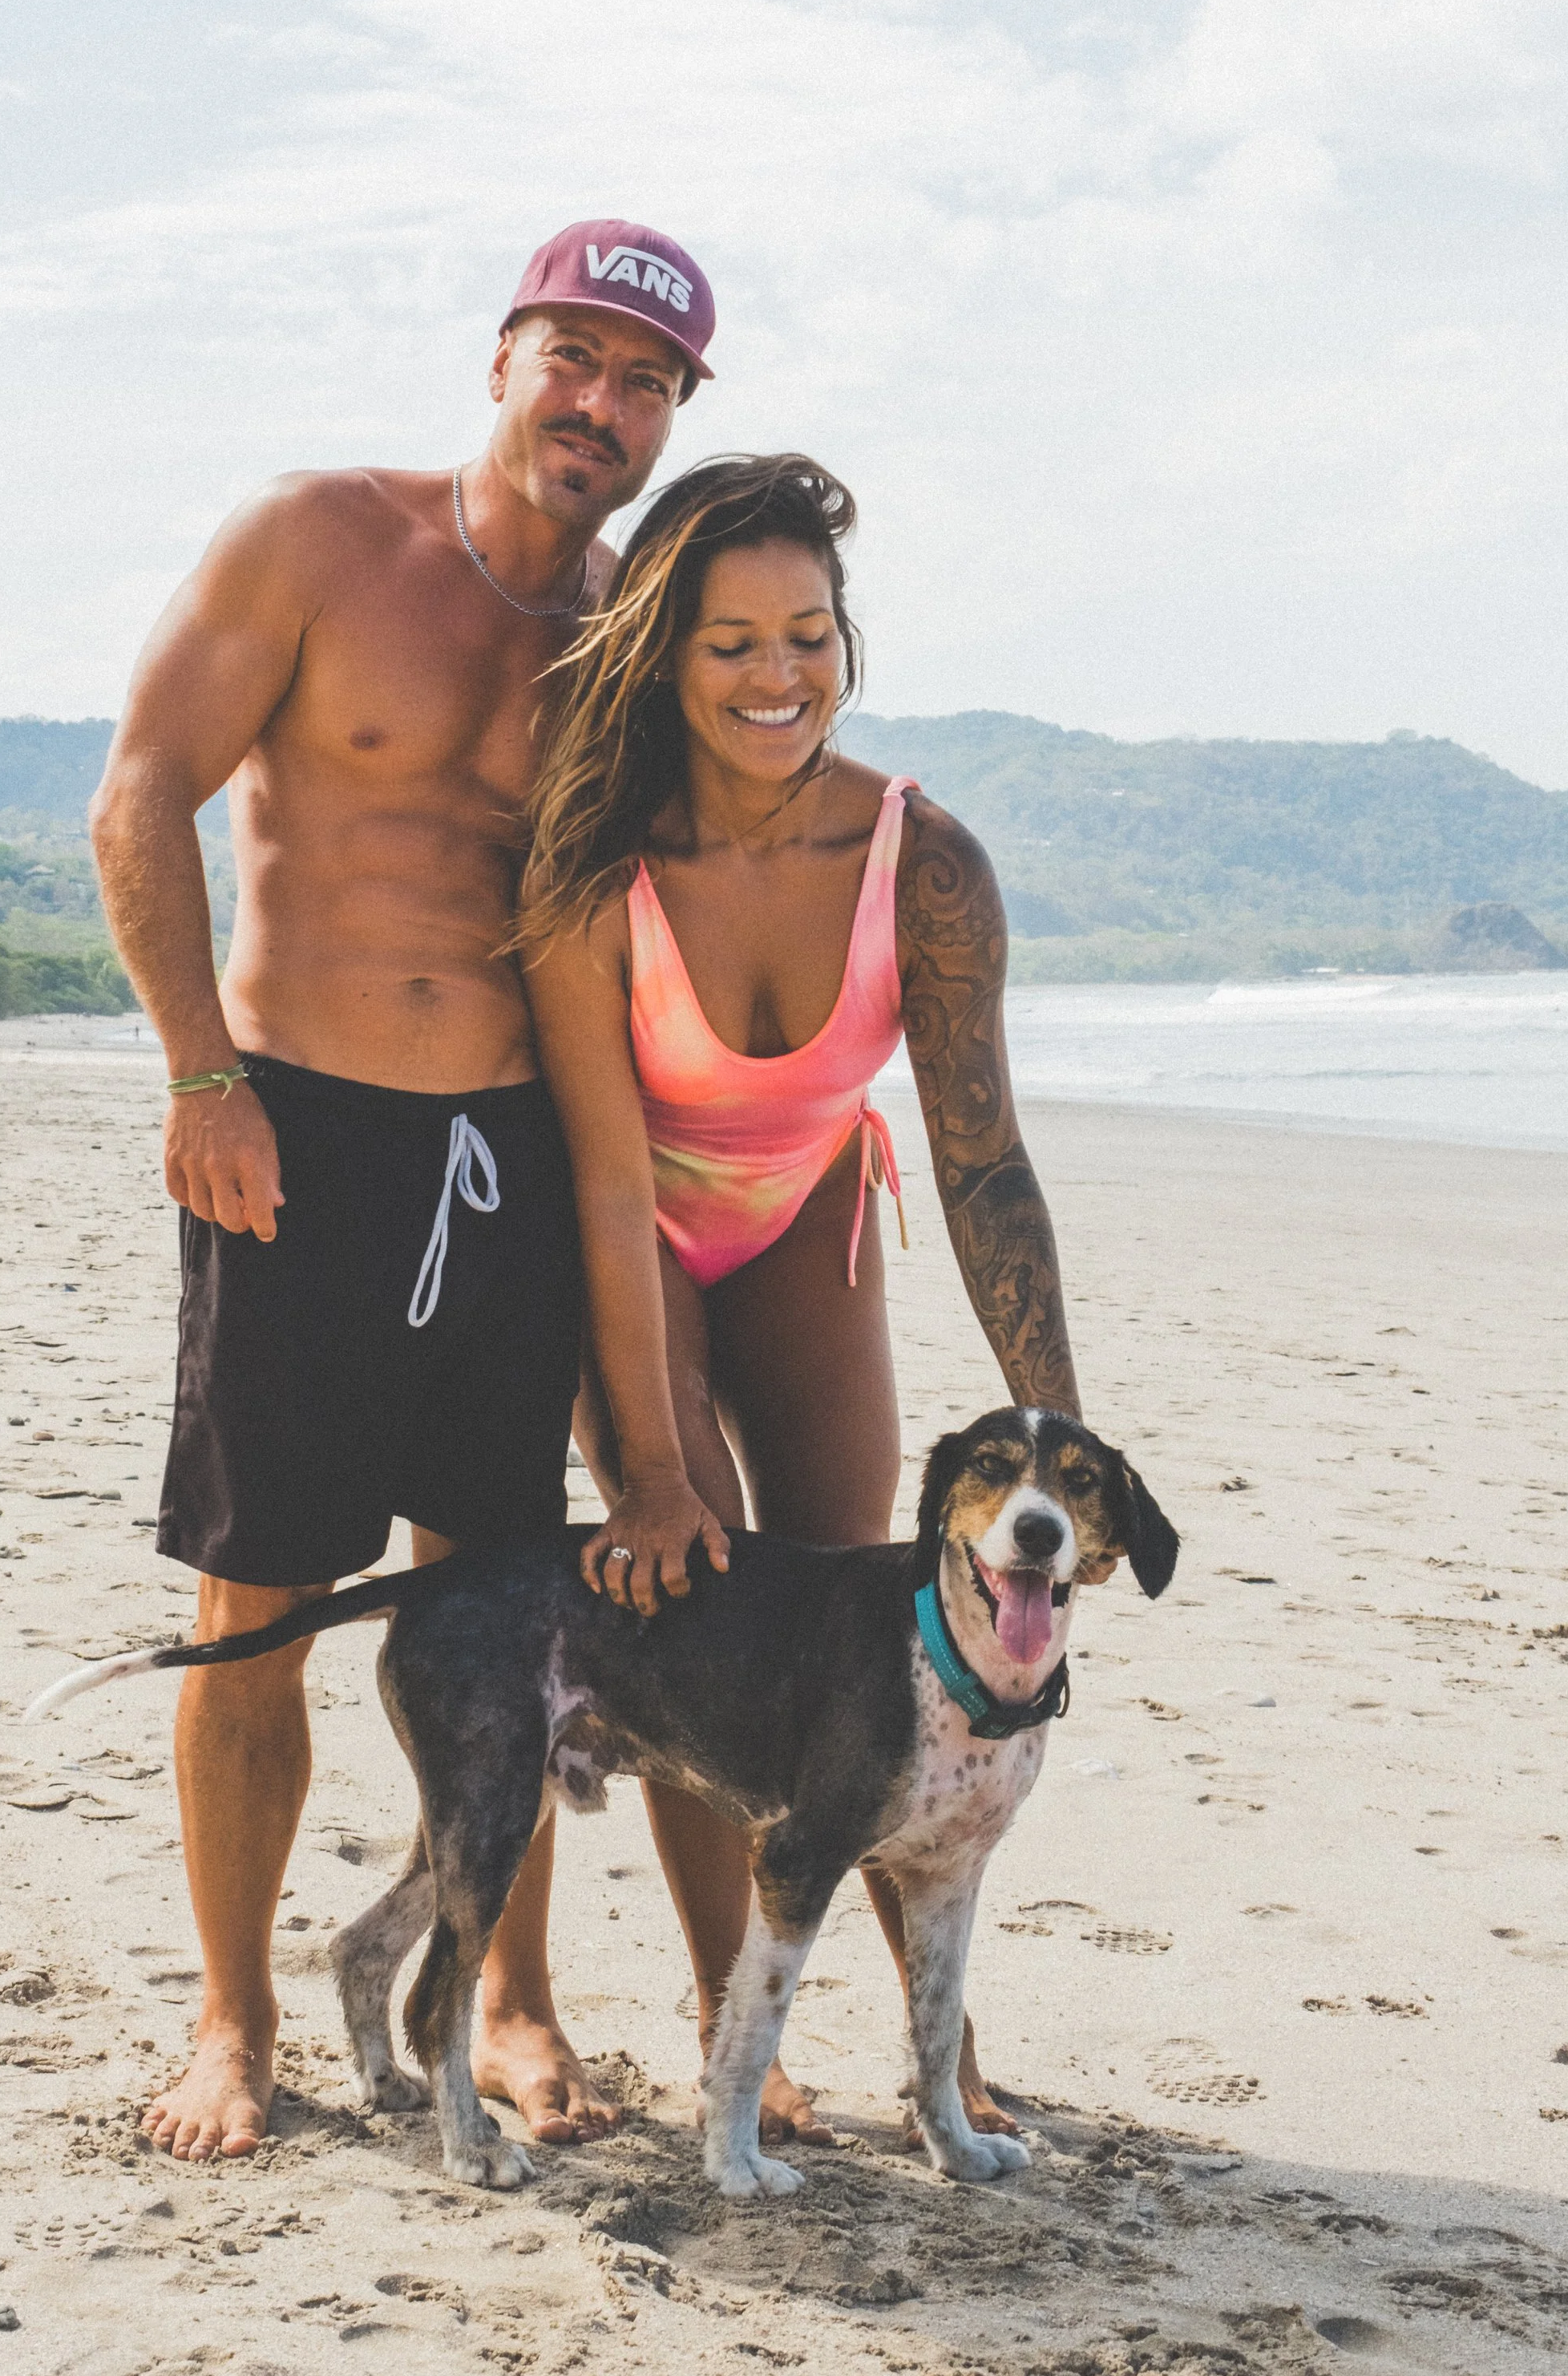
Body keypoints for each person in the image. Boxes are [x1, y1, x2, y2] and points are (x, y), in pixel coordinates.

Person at [90, 219, 717, 2163]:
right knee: (252, 1598)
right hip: (289, 1135)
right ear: (503, 357)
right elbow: (140, 792)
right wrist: (204, 1072)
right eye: (576, 362)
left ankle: (510, 1994)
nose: (600, 408)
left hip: (503, 1161)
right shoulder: (316, 537)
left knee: (495, 1610)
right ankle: (231, 2013)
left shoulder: (621, 633)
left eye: (646, 386)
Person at [518, 453, 1081, 2143]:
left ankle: (937, 2055)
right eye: (730, 645)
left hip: (803, 1211)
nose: (779, 679)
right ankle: (728, 2024)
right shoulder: (591, 868)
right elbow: (609, 1189)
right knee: (696, 1597)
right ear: (658, 656)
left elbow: (980, 1159)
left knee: (903, 1630)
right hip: (632, 1234)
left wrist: (1051, 1437)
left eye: (808, 636)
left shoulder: (923, 862)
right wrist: (649, 1466)